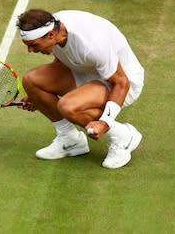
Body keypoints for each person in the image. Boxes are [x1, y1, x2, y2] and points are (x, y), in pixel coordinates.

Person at [16, 9, 145, 169]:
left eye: (34, 45)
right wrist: (37, 97)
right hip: (86, 71)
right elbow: (65, 59)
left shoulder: (92, 44)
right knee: (32, 82)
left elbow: (121, 83)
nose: (31, 51)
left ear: (50, 36)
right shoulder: (54, 29)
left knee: (68, 106)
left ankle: (123, 136)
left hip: (122, 81)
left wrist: (105, 122)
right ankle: (70, 140)